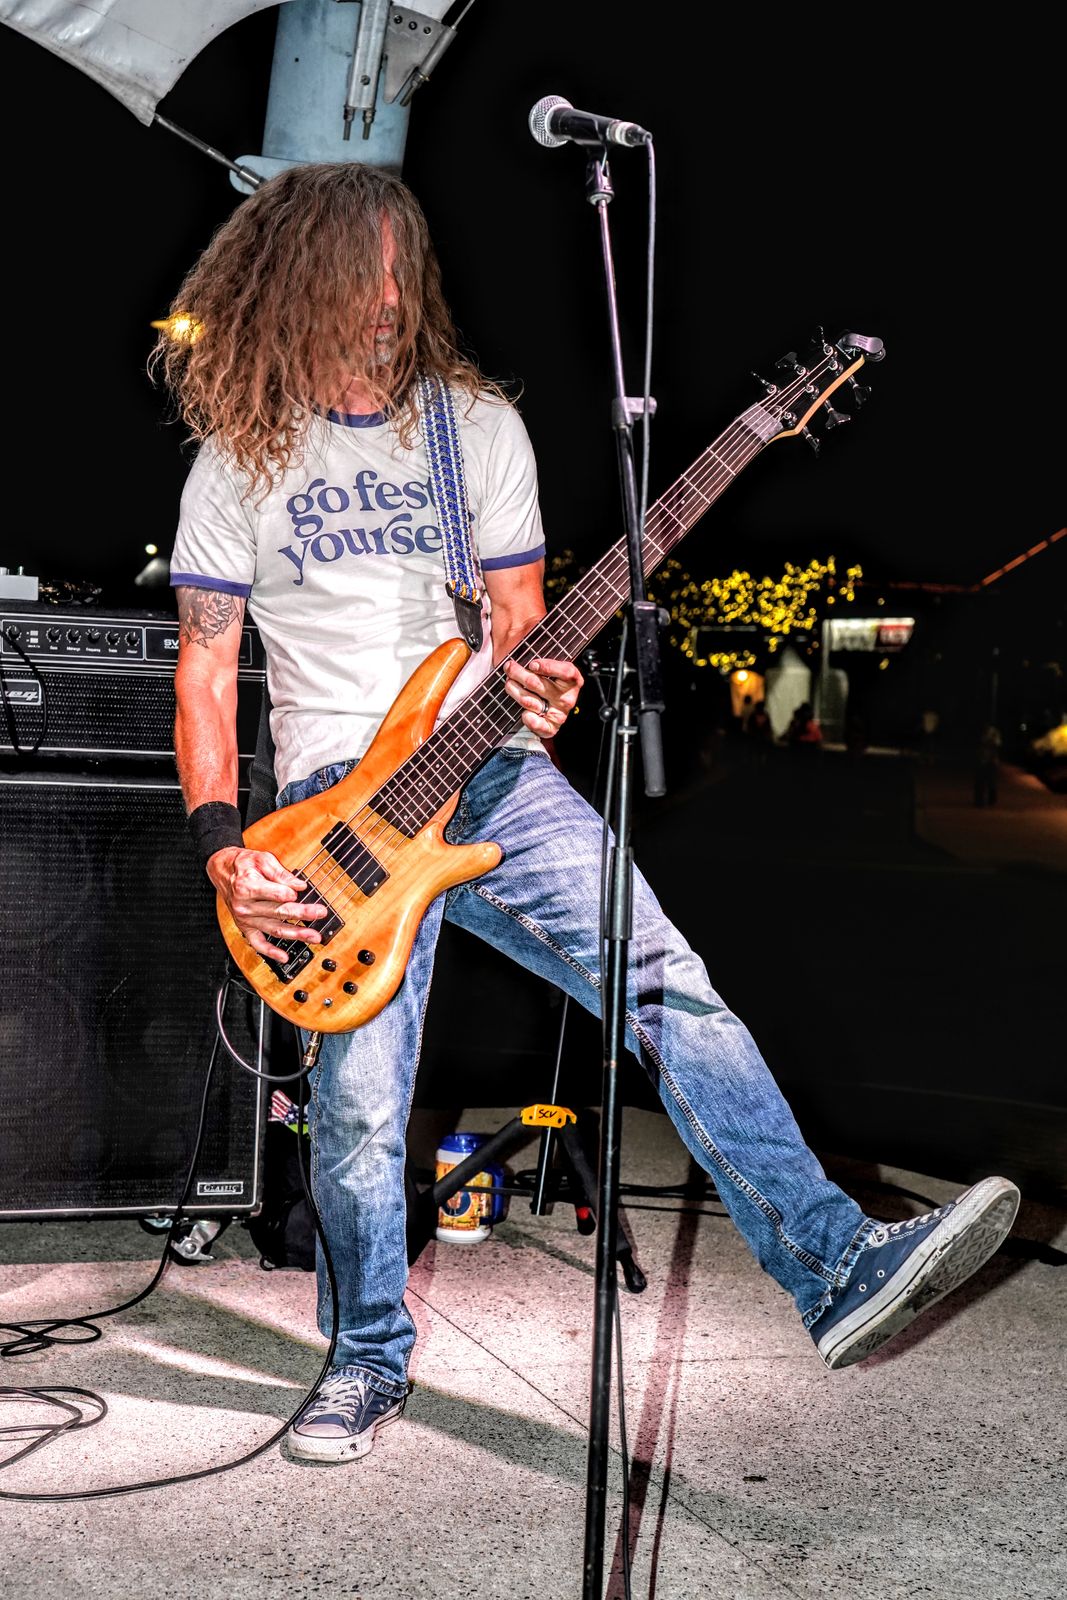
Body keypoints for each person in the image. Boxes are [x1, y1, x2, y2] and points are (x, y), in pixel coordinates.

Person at [160, 162, 1020, 1466]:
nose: (385, 298)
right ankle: (364, 1357)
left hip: (488, 777)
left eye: (399, 271)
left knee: (669, 984)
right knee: (357, 1109)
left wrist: (542, 687)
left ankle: (833, 1262)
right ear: (293, 282)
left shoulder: (474, 430)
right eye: (355, 272)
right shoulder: (240, 459)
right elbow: (204, 667)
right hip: (326, 825)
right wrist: (224, 848)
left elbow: (517, 630)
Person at [974, 723, 1002, 806]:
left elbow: (997, 744)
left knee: (991, 782)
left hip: (991, 760)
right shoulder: (981, 732)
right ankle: (979, 801)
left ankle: (991, 800)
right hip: (982, 759)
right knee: (980, 781)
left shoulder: (994, 733)